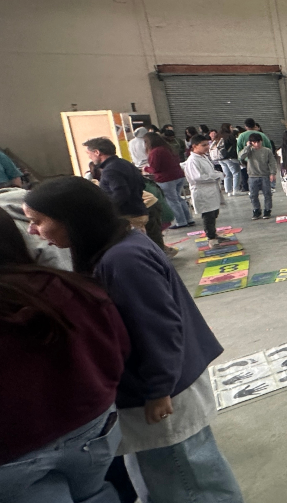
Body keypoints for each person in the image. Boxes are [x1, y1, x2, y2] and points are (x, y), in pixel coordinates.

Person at [23, 178, 244, 503]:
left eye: (38, 221)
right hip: (152, 385)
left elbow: (159, 328)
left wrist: (159, 390)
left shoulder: (124, 259)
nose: (32, 231)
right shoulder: (115, 247)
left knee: (188, 479)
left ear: (72, 218)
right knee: (163, 476)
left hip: (163, 392)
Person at [0, 209, 130, 503]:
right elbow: (117, 347)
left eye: (36, 221)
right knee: (96, 493)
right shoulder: (69, 285)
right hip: (91, 424)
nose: (32, 230)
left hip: (14, 451)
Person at [84, 137, 150, 232]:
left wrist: (106, 210)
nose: (89, 157)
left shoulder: (110, 170)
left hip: (127, 217)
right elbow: (142, 184)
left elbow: (121, 194)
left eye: (89, 153)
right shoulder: (125, 163)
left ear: (97, 152)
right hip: (138, 211)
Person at [182, 136, 228, 242]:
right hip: (202, 191)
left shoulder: (203, 157)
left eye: (207, 144)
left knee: (214, 213)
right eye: (203, 145)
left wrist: (218, 174)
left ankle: (213, 234)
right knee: (208, 215)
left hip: (211, 189)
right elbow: (197, 177)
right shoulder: (193, 160)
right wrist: (216, 176)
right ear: (194, 146)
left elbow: (210, 171)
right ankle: (211, 238)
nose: (207, 147)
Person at [143, 132, 194, 230]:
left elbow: (155, 168)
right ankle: (189, 219)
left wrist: (145, 169)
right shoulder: (168, 148)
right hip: (178, 175)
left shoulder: (155, 152)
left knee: (172, 200)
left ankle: (181, 221)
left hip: (166, 179)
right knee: (178, 198)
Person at [237, 132, 277, 220]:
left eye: (258, 142)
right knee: (253, 195)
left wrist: (272, 173)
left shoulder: (267, 151)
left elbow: (272, 162)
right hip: (252, 176)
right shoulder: (249, 151)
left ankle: (267, 210)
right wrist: (247, 146)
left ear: (261, 141)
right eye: (254, 142)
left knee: (267, 193)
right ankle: (256, 210)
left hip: (264, 175)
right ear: (251, 142)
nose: (257, 144)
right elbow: (241, 157)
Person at [214, 124, 241, 196]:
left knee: (227, 174)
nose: (232, 128)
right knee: (236, 173)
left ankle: (228, 191)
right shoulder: (229, 136)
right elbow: (235, 146)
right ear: (227, 128)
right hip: (230, 157)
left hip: (220, 158)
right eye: (231, 127)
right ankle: (235, 190)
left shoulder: (218, 136)